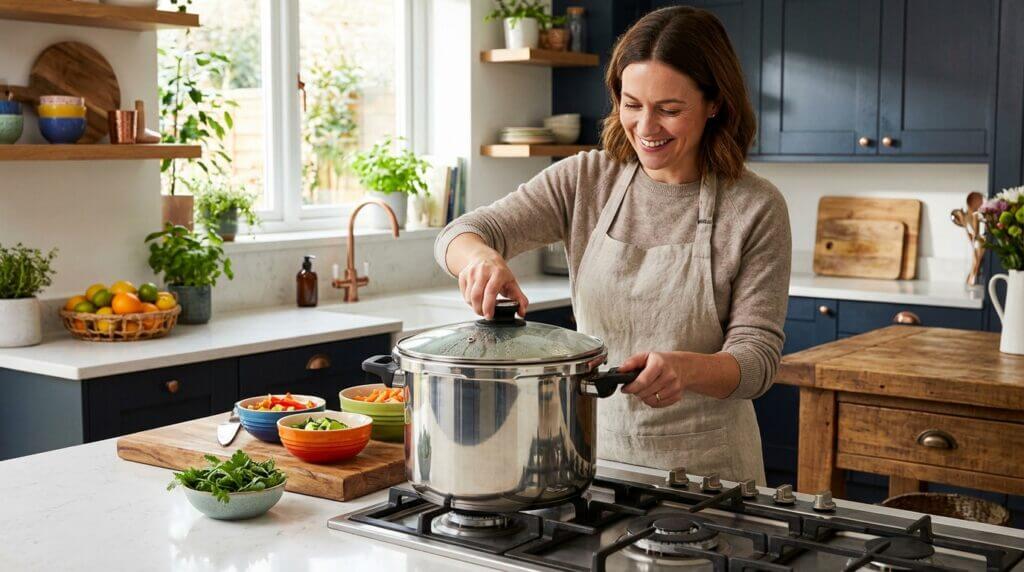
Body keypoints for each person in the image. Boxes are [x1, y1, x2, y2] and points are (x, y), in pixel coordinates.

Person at [433, 6, 790, 483]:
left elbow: (757, 360)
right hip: (596, 463)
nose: (645, 127)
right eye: (632, 103)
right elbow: (460, 234)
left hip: (712, 477)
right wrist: (479, 258)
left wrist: (687, 370)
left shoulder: (755, 207)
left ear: (715, 104)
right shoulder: (587, 179)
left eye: (669, 109)